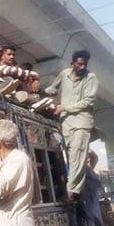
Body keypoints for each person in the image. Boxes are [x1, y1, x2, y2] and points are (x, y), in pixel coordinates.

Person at [44, 49, 98, 198]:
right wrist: (36, 89)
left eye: (84, 65)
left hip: (82, 121)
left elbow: (88, 101)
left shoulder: (91, 77)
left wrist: (66, 108)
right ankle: (69, 188)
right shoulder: (64, 74)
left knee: (77, 155)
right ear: (72, 63)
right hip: (65, 123)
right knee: (65, 156)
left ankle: (72, 190)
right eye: (79, 64)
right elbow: (52, 89)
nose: (82, 67)